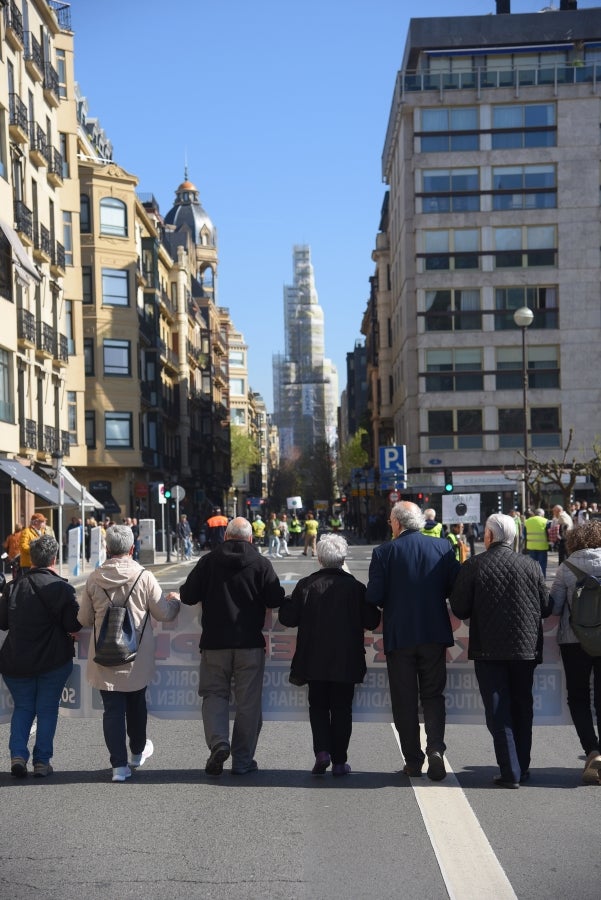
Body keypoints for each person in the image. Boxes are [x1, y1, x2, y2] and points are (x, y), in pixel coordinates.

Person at [450, 513, 550, 788]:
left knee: (498, 711)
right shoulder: (531, 566)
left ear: (490, 536)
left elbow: (459, 607)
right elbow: (546, 606)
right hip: (526, 649)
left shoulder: (475, 565)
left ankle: (510, 771)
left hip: (489, 650)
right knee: (522, 707)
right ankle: (522, 767)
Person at [179, 516, 284, 776]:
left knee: (214, 695)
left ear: (226, 537)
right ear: (251, 538)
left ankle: (219, 743)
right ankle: (243, 760)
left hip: (214, 643)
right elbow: (276, 598)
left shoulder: (208, 561)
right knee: (248, 703)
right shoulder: (260, 563)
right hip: (249, 643)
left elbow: (188, 595)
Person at [77, 524, 180, 782]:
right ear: (132, 548)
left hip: (104, 654)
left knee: (112, 710)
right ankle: (137, 752)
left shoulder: (94, 578)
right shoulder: (143, 576)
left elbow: (84, 618)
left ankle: (118, 768)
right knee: (136, 704)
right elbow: (164, 613)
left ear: (107, 549)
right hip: (137, 656)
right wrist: (175, 600)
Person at [366, 502, 460, 781]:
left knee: (404, 700)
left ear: (397, 522)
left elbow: (374, 597)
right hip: (434, 633)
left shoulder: (384, 552)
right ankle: (435, 748)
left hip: (400, 636)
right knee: (433, 695)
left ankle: (413, 760)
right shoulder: (443, 547)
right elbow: (455, 587)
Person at [279, 534, 380, 775]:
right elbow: (372, 619)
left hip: (313, 658)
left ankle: (321, 752)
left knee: (318, 706)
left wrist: (285, 601)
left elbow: (288, 618)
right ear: (343, 558)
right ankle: (339, 761)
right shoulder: (355, 587)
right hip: (346, 658)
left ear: (320, 558)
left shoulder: (306, 585)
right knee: (342, 708)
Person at [0, 535, 81, 778]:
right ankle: (42, 762)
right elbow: (73, 625)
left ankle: (17, 755)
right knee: (47, 710)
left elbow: (3, 623)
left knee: (23, 708)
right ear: (54, 559)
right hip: (53, 660)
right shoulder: (62, 589)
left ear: (31, 559)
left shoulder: (12, 587)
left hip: (16, 660)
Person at [550, 520, 601, 783]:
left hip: (574, 641)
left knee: (579, 698)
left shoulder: (566, 568)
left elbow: (555, 608)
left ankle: (592, 750)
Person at [523, 508, 551, 576]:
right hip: (542, 546)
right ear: (542, 514)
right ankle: (542, 580)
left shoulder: (527, 521)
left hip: (531, 546)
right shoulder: (546, 521)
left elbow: (524, 534)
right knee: (542, 565)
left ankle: (533, 580)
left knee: (533, 565)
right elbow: (549, 534)